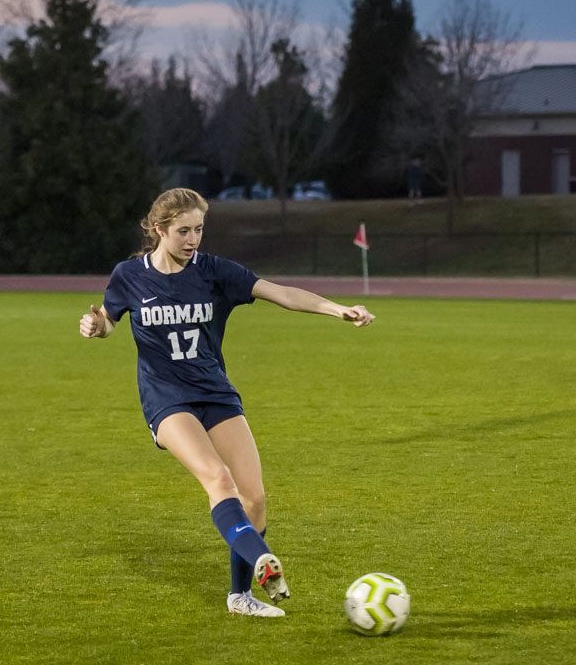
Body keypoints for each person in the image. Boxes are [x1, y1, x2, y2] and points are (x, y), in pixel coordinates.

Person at [79, 188, 376, 617]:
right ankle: (262, 561)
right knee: (218, 478)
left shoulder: (214, 272)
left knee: (253, 500)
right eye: (183, 231)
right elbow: (109, 319)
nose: (193, 239)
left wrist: (337, 309)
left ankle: (241, 597)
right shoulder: (130, 275)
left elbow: (280, 292)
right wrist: (95, 325)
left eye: (199, 229)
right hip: (166, 399)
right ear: (159, 229)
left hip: (215, 393)